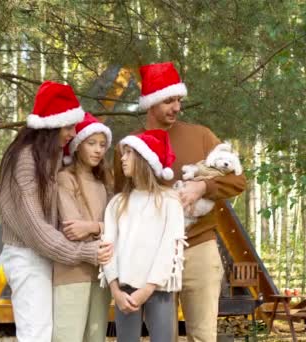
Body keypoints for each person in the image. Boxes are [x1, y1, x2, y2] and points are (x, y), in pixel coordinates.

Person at [114, 62, 246, 342]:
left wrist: (203, 185)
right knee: (164, 337)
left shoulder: (201, 136)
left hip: (199, 247)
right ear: (150, 103)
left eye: (178, 100)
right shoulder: (132, 146)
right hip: (150, 255)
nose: (176, 107)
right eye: (168, 101)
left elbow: (238, 181)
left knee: (202, 336)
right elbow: (119, 201)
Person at [0, 81, 113, 342]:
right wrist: (86, 251)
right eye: (69, 126)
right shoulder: (25, 160)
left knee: (48, 334)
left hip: (48, 255)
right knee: (36, 334)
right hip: (27, 256)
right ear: (52, 125)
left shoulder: (50, 157)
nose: (73, 132)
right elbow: (37, 231)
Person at [102, 129, 187, 342]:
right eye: (124, 153)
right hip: (124, 292)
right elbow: (107, 247)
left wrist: (147, 289)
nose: (122, 158)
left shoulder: (169, 202)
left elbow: (169, 250)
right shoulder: (117, 204)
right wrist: (115, 289)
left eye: (129, 153)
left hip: (157, 289)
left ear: (144, 158)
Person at [52, 112, 113, 342]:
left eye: (103, 144)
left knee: (95, 338)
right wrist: (102, 229)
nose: (98, 150)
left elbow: (117, 227)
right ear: (77, 145)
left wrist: (93, 227)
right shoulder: (65, 178)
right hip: (72, 271)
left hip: (101, 272)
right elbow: (72, 229)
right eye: (92, 143)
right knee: (68, 337)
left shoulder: (105, 182)